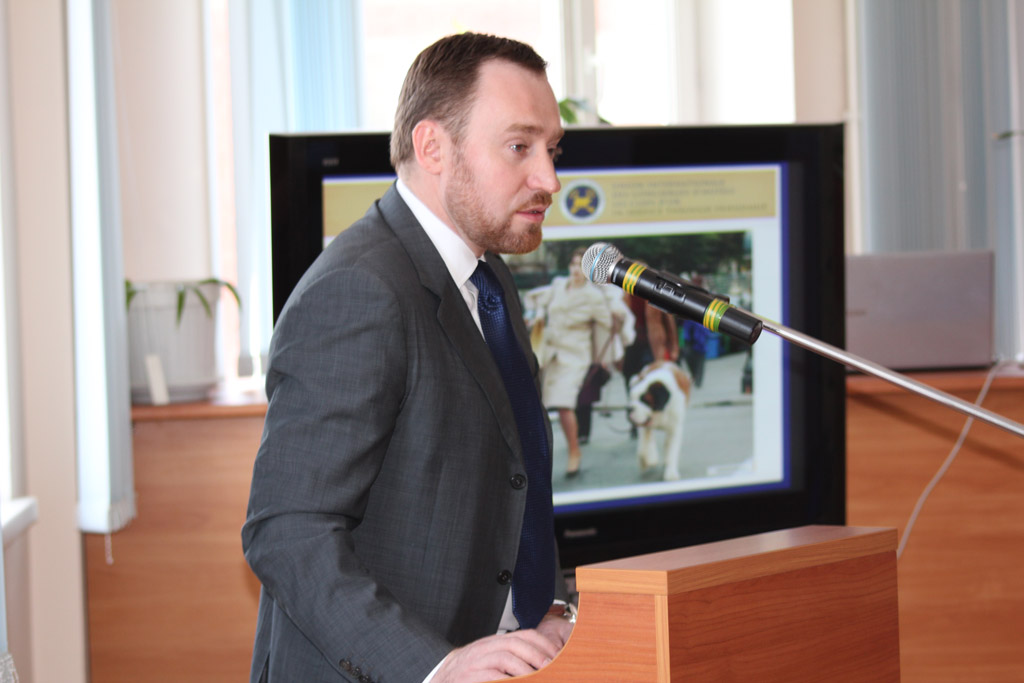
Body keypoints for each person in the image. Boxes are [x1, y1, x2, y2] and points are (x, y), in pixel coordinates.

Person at [242, 33, 573, 683]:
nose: (549, 179)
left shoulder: (489, 278)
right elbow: (287, 530)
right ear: (433, 148)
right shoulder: (359, 289)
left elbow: (517, 478)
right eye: (519, 147)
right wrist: (436, 666)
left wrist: (548, 608)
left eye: (552, 149)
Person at [525, 247, 632, 476]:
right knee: (535, 404)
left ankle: (574, 452)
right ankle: (536, 454)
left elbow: (608, 325)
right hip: (548, 353)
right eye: (573, 264)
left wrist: (617, 325)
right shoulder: (558, 286)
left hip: (575, 355)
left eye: (581, 266)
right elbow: (537, 301)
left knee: (564, 404)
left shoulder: (594, 297)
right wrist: (535, 317)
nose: (576, 269)